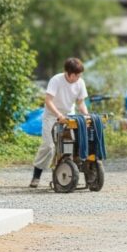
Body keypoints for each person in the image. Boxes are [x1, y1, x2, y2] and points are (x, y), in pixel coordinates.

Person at [30, 58, 89, 188]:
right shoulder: (56, 80)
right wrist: (58, 115)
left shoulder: (80, 82)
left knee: (73, 145)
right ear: (68, 73)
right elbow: (48, 100)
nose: (78, 78)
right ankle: (36, 175)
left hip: (69, 116)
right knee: (49, 146)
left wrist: (86, 115)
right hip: (52, 116)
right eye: (76, 75)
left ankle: (70, 173)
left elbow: (81, 102)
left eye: (79, 75)